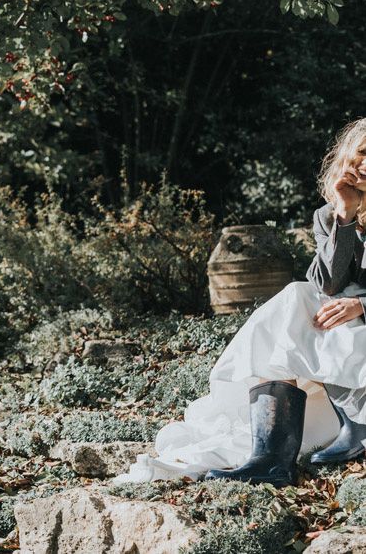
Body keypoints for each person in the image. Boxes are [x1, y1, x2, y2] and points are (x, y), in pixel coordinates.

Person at [112, 118, 366, 488]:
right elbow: (327, 284)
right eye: (361, 153)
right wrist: (344, 215)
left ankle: (278, 456)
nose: (365, 163)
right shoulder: (330, 216)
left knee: (296, 298)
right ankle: (271, 460)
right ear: (346, 159)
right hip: (340, 340)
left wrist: (361, 306)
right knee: (296, 298)